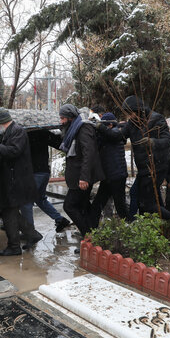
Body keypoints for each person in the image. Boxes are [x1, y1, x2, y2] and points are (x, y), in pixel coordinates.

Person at [98, 96, 170, 244]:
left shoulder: (156, 119)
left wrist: (152, 142)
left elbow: (167, 141)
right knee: (145, 198)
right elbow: (118, 135)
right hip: (143, 168)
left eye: (132, 113)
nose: (130, 117)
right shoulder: (133, 123)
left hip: (156, 167)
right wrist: (100, 127)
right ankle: (160, 229)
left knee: (147, 204)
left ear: (139, 110)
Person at [0, 108, 43, 256]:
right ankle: (32, 234)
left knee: (8, 211)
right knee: (11, 211)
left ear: (1, 123)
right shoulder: (9, 132)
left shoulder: (18, 131)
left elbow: (14, 151)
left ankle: (14, 246)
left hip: (15, 180)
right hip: (10, 179)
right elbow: (2, 152)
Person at [58, 104, 105, 253]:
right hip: (78, 176)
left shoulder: (83, 128)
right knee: (84, 207)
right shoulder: (73, 129)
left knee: (69, 206)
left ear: (71, 117)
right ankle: (93, 239)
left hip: (82, 177)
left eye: (63, 118)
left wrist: (84, 178)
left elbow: (88, 154)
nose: (61, 121)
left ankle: (88, 237)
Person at [22, 129, 71, 233]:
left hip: (34, 173)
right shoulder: (43, 131)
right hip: (44, 172)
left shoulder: (23, 134)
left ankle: (30, 232)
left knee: (26, 202)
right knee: (40, 199)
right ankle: (60, 219)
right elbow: (59, 144)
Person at [90, 112, 129, 229]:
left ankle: (130, 229)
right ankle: (90, 231)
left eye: (104, 125)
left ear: (111, 125)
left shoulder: (117, 132)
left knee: (120, 206)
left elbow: (111, 135)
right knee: (97, 205)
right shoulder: (106, 135)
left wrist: (98, 126)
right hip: (108, 177)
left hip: (117, 176)